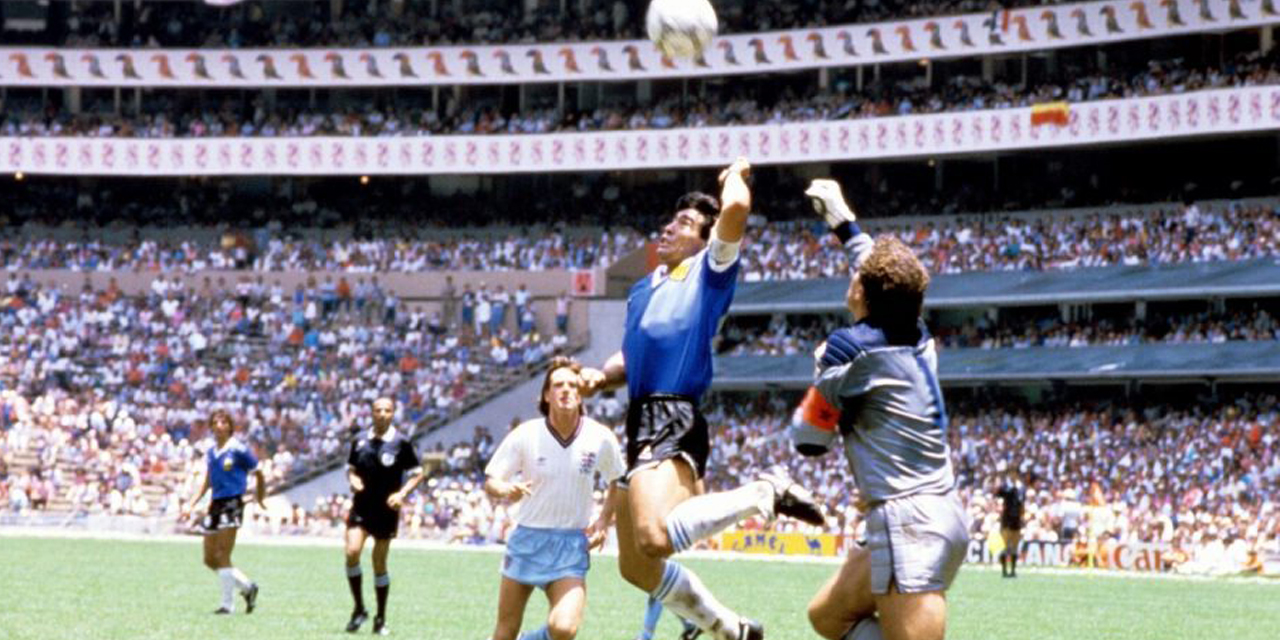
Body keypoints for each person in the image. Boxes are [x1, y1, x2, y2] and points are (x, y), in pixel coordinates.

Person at [581, 158, 823, 640]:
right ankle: (731, 629)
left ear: (705, 240)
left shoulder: (710, 271)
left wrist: (734, 174)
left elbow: (735, 205)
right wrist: (597, 376)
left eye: (686, 223)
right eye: (672, 219)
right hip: (640, 417)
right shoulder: (642, 290)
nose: (671, 227)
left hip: (674, 412)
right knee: (636, 567)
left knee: (653, 537)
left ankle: (764, 493)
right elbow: (631, 358)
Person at [791, 179, 970, 640]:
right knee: (827, 616)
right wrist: (843, 221)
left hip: (906, 520)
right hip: (936, 510)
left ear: (862, 295)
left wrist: (822, 383)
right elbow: (876, 269)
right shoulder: (919, 332)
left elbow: (808, 441)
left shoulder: (846, 350)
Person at [483, 356, 623, 640]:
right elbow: (491, 480)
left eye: (573, 384)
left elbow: (617, 480)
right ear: (547, 394)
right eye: (558, 384)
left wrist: (604, 520)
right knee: (504, 631)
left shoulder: (600, 436)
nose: (566, 390)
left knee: (564, 628)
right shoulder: (526, 434)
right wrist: (505, 489)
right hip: (527, 540)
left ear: (581, 393)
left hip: (570, 543)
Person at [344, 397, 424, 635]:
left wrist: (402, 494)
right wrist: (353, 480)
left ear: (393, 414)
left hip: (386, 510)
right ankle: (359, 609)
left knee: (379, 563)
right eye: (377, 410)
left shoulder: (401, 442)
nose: (382, 414)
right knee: (352, 553)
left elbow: (417, 474)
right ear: (371, 413)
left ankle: (380, 618)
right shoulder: (359, 440)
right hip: (361, 507)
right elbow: (350, 469)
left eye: (387, 410)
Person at [181, 410, 265, 615]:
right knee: (210, 559)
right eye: (215, 422)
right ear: (211, 427)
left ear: (230, 426)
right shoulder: (211, 452)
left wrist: (260, 498)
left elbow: (259, 473)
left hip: (232, 504)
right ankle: (247, 587)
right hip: (215, 505)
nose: (219, 425)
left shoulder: (238, 449)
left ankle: (227, 606)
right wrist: (191, 503)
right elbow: (208, 481)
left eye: (223, 421)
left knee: (223, 554)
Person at [996, 469, 1027, 578]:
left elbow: (1022, 504)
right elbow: (999, 493)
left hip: (1016, 520)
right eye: (1011, 473)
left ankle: (1013, 571)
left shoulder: (1021, 488)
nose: (1013, 475)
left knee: (1014, 546)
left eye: (1014, 473)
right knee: (1005, 546)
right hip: (1006, 520)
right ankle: (1004, 571)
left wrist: (1023, 518)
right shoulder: (1006, 487)